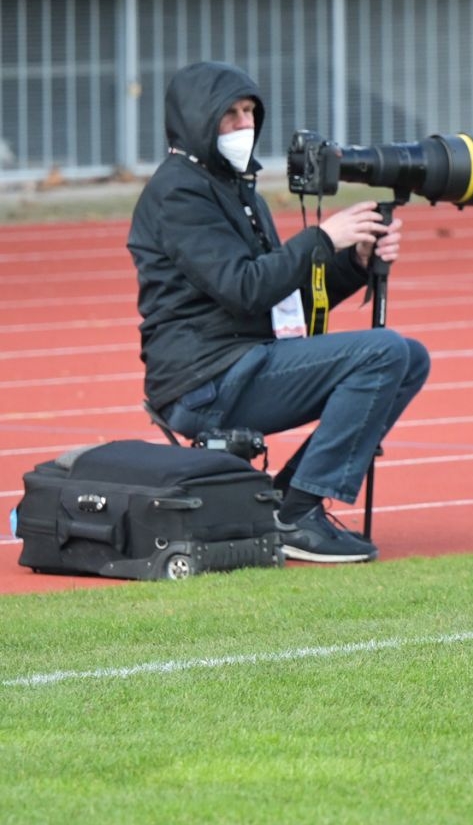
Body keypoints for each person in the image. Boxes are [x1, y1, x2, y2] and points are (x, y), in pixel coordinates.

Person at [129, 61, 429, 564]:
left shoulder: (235, 188)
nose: (244, 124)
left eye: (250, 112)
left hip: (242, 362)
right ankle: (298, 515)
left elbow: (282, 297)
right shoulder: (178, 193)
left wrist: (354, 262)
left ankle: (290, 501)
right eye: (230, 114)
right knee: (383, 352)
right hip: (204, 380)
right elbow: (243, 288)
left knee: (410, 357)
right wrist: (321, 238)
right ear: (198, 119)